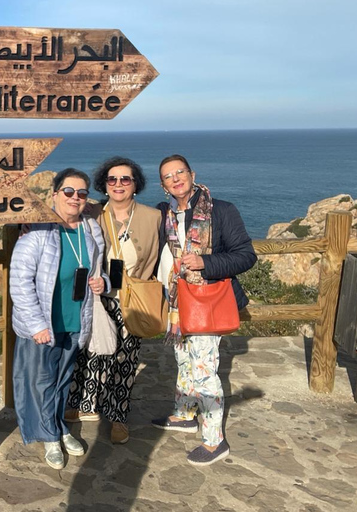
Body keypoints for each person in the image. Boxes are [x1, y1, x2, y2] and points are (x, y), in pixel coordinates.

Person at [151, 154, 256, 466]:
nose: (176, 178)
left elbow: (246, 256)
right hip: (177, 303)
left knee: (203, 372)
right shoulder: (163, 214)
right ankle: (185, 415)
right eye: (169, 176)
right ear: (163, 186)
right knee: (183, 360)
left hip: (208, 301)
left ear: (192, 174)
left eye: (180, 171)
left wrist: (205, 262)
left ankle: (214, 441)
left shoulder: (221, 210)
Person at [10, 168, 108, 470]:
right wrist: (36, 324)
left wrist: (102, 281)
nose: (75, 198)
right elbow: (20, 280)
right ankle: (50, 435)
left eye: (81, 193)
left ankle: (59, 426)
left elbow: (97, 268)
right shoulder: (38, 230)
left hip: (75, 320)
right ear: (55, 195)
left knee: (63, 379)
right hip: (44, 325)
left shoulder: (90, 229)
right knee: (41, 382)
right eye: (68, 192)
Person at [66, 157, 161, 444]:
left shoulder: (152, 217)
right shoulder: (92, 211)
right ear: (104, 184)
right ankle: (83, 405)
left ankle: (118, 415)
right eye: (112, 179)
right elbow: (60, 214)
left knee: (126, 359)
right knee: (90, 352)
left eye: (125, 179)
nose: (118, 184)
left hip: (134, 299)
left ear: (135, 185)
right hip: (98, 294)